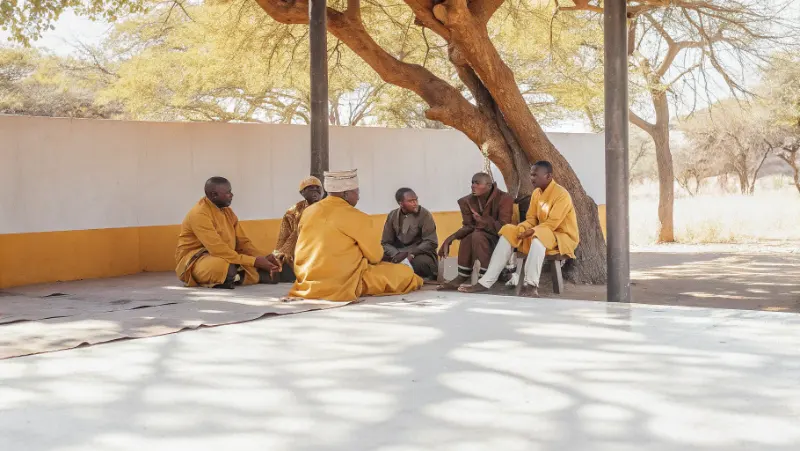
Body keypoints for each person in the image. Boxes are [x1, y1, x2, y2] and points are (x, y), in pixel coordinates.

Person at [289, 169, 424, 301]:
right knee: (405, 274)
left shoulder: (308, 212)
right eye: (356, 191)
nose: (358, 196)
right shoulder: (357, 217)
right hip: (342, 282)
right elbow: (375, 256)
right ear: (346, 194)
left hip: (307, 281)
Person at [459, 161, 579, 296]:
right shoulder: (536, 194)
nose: (532, 178)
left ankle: (531, 285)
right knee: (509, 231)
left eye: (535, 175)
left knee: (539, 237)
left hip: (562, 236)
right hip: (541, 232)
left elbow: (553, 223)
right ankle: (486, 282)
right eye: (531, 175)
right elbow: (531, 219)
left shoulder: (562, 194)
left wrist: (532, 231)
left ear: (548, 176)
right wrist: (521, 229)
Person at [175, 176, 281, 288]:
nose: (232, 195)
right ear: (214, 195)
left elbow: (243, 243)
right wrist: (254, 262)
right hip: (196, 261)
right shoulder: (199, 214)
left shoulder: (227, 212)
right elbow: (218, 250)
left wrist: (261, 257)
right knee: (225, 267)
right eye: (228, 192)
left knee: (273, 259)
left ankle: (242, 275)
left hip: (225, 255)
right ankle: (249, 274)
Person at [437, 172, 514, 290]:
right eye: (472, 183)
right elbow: (468, 226)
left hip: (500, 240)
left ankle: (486, 277)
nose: (473, 186)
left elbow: (504, 227)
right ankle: (462, 276)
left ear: (489, 185)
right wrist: (449, 239)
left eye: (477, 183)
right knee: (468, 236)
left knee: (477, 235)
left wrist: (483, 221)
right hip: (479, 238)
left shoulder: (504, 198)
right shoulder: (466, 201)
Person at [271, 176, 324, 283]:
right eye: (310, 188)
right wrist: (279, 258)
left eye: (317, 188)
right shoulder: (292, 212)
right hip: (298, 252)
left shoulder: (329, 208)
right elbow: (283, 237)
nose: (315, 191)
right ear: (302, 193)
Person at [382, 188, 438, 280]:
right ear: (401, 203)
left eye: (416, 200)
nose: (415, 203)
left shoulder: (425, 214)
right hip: (398, 253)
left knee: (421, 263)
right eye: (411, 201)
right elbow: (385, 242)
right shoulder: (392, 215)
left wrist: (411, 253)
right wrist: (396, 254)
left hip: (419, 254)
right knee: (377, 259)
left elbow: (431, 242)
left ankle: (414, 277)